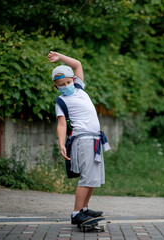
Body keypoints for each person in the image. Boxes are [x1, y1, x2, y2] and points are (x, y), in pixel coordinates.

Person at [47, 51, 109, 225]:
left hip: (95, 139)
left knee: (93, 177)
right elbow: (61, 124)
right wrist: (61, 144)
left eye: (68, 82)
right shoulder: (61, 101)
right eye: (61, 84)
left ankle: (84, 209)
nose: (66, 85)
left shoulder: (80, 89)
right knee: (87, 177)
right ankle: (76, 214)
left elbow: (78, 65)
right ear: (56, 86)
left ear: (74, 80)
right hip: (83, 140)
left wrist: (59, 57)